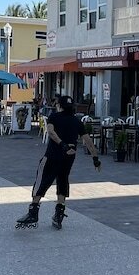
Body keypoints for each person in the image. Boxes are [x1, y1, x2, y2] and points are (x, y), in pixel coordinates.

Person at [16, 95, 102, 229]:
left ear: (60, 105)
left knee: (42, 180)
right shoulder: (76, 121)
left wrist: (62, 144)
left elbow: (50, 132)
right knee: (62, 180)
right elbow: (88, 142)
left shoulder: (54, 117)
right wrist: (95, 159)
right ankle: (59, 214)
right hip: (69, 157)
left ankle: (33, 212)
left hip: (53, 155)